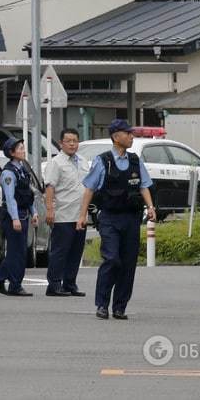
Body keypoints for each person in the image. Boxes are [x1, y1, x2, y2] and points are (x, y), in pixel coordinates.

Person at [76, 119, 156, 320]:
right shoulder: (102, 161)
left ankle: (120, 306)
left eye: (131, 133)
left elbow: (144, 185)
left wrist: (151, 207)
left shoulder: (135, 160)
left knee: (128, 264)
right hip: (110, 218)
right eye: (127, 133)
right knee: (112, 259)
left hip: (131, 218)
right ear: (116, 136)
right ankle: (102, 304)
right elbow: (89, 189)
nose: (131, 136)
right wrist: (82, 216)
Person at [0, 137, 38, 297]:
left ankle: (6, 282)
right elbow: (10, 198)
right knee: (16, 253)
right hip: (13, 217)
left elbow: (27, 194)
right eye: (20, 148)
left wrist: (34, 211)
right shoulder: (8, 172)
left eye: (23, 147)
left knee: (20, 252)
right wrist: (15, 218)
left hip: (23, 214)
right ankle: (6, 282)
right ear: (11, 153)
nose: (24, 150)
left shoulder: (22, 169)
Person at [44, 128, 91, 297]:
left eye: (75, 141)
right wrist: (50, 210)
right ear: (61, 143)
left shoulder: (83, 161)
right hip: (63, 214)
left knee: (76, 251)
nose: (72, 144)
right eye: (68, 141)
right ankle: (54, 284)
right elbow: (50, 187)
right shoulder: (56, 163)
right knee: (60, 251)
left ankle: (70, 283)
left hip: (80, 215)